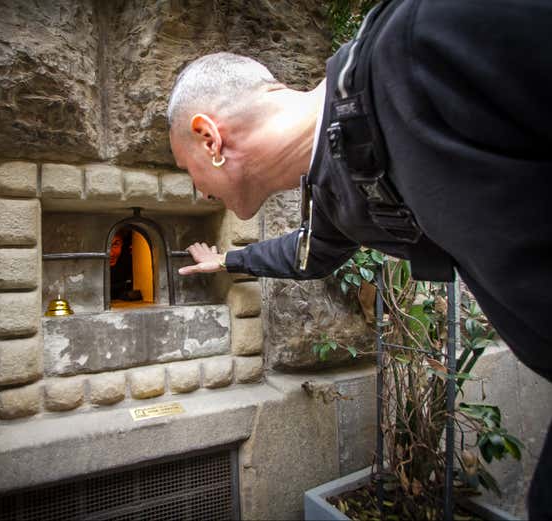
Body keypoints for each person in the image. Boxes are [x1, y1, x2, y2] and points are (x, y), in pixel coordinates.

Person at [167, 1, 552, 518]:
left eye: (185, 169)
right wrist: (230, 261)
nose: (197, 193)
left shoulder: (421, 36)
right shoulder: (339, 185)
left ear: (209, 137)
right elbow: (308, 254)